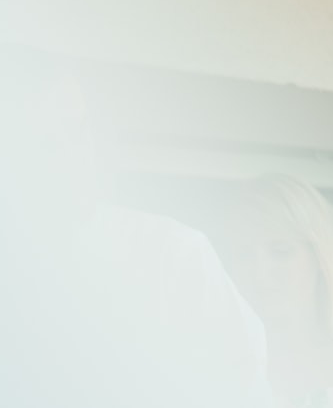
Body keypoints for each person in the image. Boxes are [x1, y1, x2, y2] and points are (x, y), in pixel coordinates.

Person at [0, 44, 273, 408]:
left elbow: (242, 387)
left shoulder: (174, 256)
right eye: (43, 144)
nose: (70, 156)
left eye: (77, 130)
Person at [211, 174, 333, 408]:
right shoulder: (211, 367)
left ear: (319, 256)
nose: (259, 272)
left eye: (281, 251)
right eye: (243, 254)